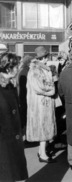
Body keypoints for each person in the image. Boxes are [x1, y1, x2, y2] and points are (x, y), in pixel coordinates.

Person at [0, 53, 28, 181]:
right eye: (16, 66)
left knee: (17, 174)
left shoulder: (10, 85)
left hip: (14, 137)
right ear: (8, 68)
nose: (19, 69)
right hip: (4, 139)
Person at [26, 46, 56, 163]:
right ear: (41, 58)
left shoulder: (40, 68)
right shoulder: (35, 70)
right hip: (40, 104)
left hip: (42, 103)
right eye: (44, 58)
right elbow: (39, 87)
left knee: (44, 127)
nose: (46, 60)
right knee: (43, 128)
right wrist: (51, 90)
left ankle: (41, 151)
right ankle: (43, 154)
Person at [17, 55, 33, 131]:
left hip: (23, 96)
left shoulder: (23, 70)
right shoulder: (25, 72)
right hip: (25, 97)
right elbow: (24, 87)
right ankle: (27, 135)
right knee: (26, 116)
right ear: (29, 63)